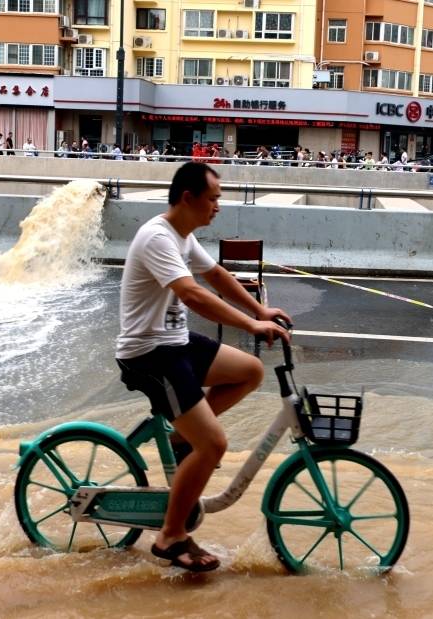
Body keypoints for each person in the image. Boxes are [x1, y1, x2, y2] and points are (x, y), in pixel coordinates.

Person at [115, 162, 291, 572]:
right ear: (188, 197)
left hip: (176, 344)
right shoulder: (157, 237)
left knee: (250, 371)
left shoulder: (183, 236)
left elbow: (215, 275)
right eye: (213, 198)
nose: (218, 206)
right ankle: (170, 537)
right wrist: (250, 324)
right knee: (213, 445)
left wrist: (260, 308)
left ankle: (182, 437)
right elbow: (192, 294)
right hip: (149, 354)